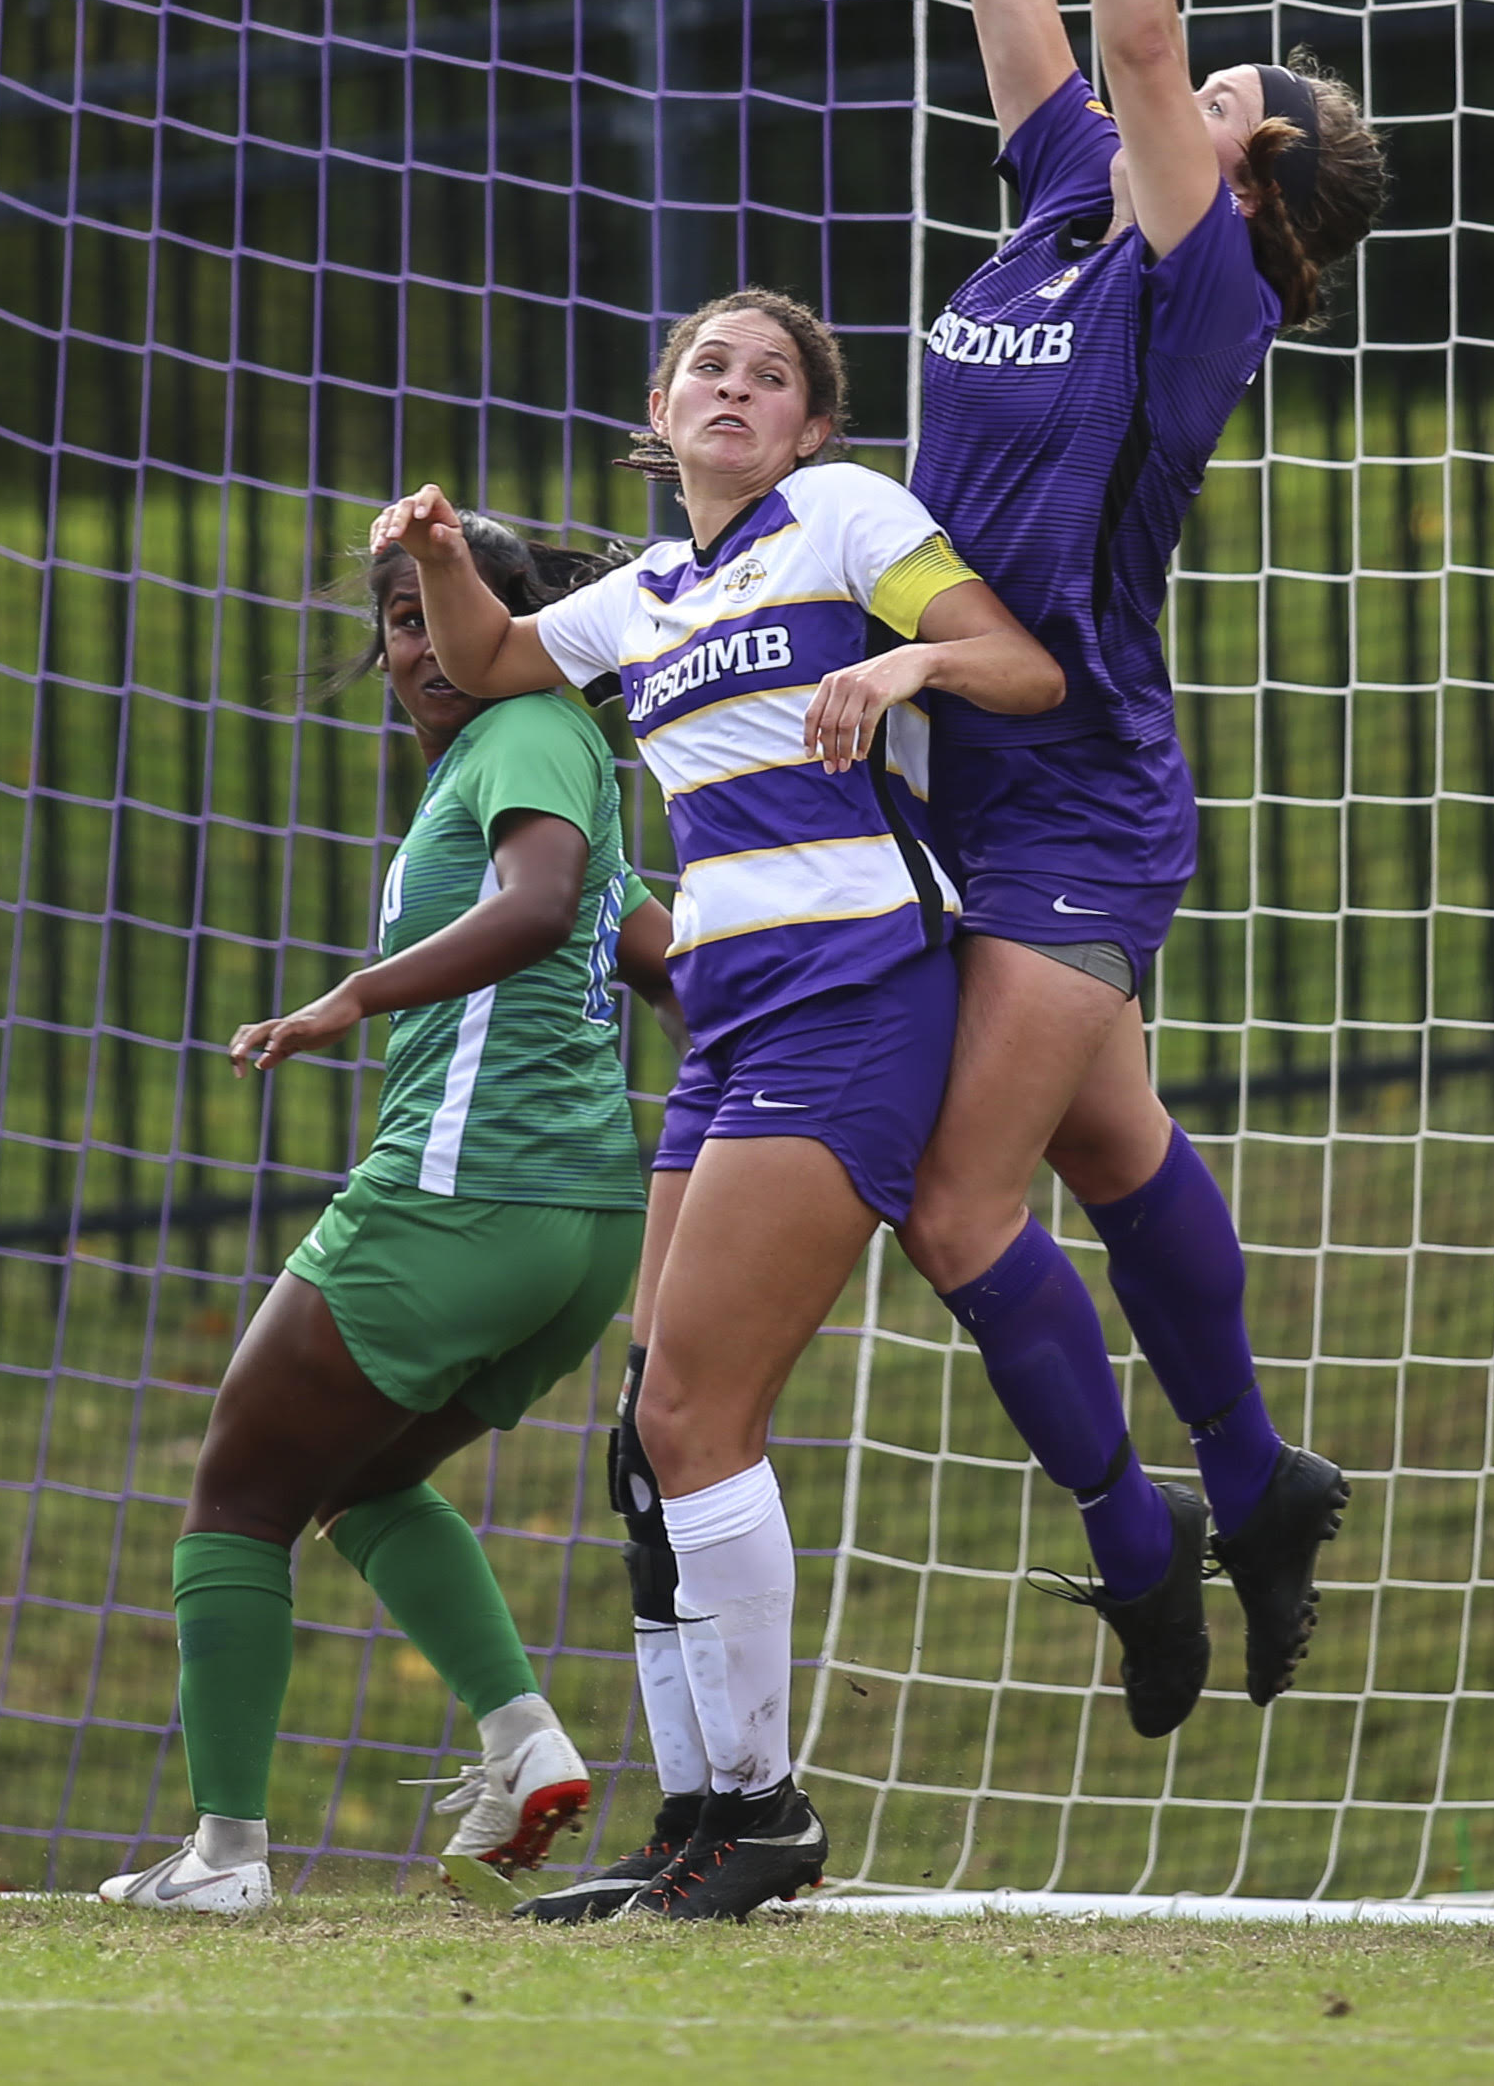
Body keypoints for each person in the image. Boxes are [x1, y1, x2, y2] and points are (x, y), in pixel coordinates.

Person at [384, 285, 1067, 1922]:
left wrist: (901, 666)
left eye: (773, 376)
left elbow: (1019, 668)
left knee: (694, 1416)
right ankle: (694, 1821)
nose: (737, 387)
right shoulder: (649, 593)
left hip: (851, 993)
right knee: (655, 1436)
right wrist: (433, 551)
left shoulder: (842, 515)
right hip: (729, 1013)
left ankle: (760, 1812)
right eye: (711, 364)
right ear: (663, 401)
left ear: (813, 427)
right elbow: (484, 654)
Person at [885, 0, 1380, 1732]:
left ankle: (1141, 1535)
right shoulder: (1077, 198)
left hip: (1072, 782)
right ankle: (1260, 1478)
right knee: (1104, 1147)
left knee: (954, 1204)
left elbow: (1142, 34)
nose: (1194, 90)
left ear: (1258, 183)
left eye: (1236, 101)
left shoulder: (1204, 288)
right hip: (957, 763)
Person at [101, 512, 677, 1915]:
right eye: (401, 617)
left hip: (464, 1196)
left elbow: (543, 910)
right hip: (576, 1225)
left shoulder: (530, 729)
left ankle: (225, 1858)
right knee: (356, 1482)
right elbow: (664, 958)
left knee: (238, 1492)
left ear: (525, 623)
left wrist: (350, 995)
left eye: (450, 608)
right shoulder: (532, 761)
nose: (421, 645)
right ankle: (519, 1740)